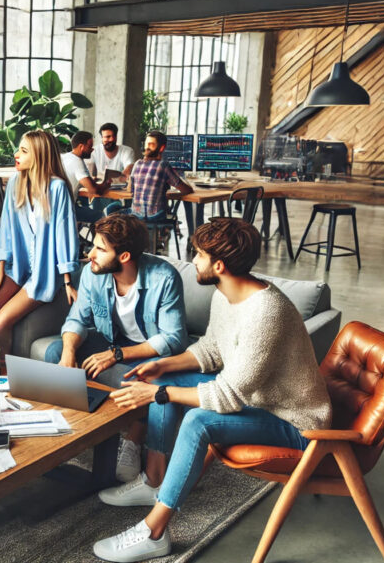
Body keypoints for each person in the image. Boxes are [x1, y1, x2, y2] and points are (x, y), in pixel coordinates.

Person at [91, 218, 332, 562]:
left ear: (219, 265)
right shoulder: (227, 292)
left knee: (197, 421)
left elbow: (227, 396)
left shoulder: (266, 312)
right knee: (160, 381)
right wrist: (164, 368)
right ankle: (153, 479)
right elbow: (212, 349)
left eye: (199, 255)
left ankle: (154, 531)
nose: (194, 262)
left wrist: (160, 395)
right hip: (257, 402)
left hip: (295, 423)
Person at [43, 213, 188, 481]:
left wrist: (117, 355)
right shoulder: (93, 273)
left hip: (147, 353)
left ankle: (133, 441)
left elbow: (173, 338)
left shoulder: (163, 278)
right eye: (93, 246)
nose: (91, 254)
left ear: (124, 257)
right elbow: (77, 319)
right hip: (113, 341)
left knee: (147, 380)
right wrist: (68, 353)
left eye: (100, 249)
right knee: (55, 352)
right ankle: (68, 430)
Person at [0, 130, 79, 356]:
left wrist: (68, 280)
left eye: (23, 150)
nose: (15, 154)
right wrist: (1, 270)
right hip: (16, 267)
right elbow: (6, 230)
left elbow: (64, 233)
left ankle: (6, 368)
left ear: (39, 155)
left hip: (44, 272)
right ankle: (3, 356)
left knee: (0, 323)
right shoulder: (14, 183)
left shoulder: (57, 188)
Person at [127, 130, 192, 222]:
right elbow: (186, 190)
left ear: (161, 148)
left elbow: (130, 190)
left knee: (114, 208)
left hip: (136, 215)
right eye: (146, 144)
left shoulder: (137, 163)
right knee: (168, 211)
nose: (146, 147)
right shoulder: (163, 165)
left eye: (151, 144)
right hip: (155, 216)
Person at [61, 131, 114, 224]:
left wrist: (90, 180)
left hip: (57, 207)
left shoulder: (64, 157)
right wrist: (107, 184)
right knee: (102, 217)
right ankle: (97, 238)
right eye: (90, 146)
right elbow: (94, 190)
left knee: (86, 206)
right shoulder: (77, 161)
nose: (92, 149)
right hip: (66, 209)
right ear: (81, 146)